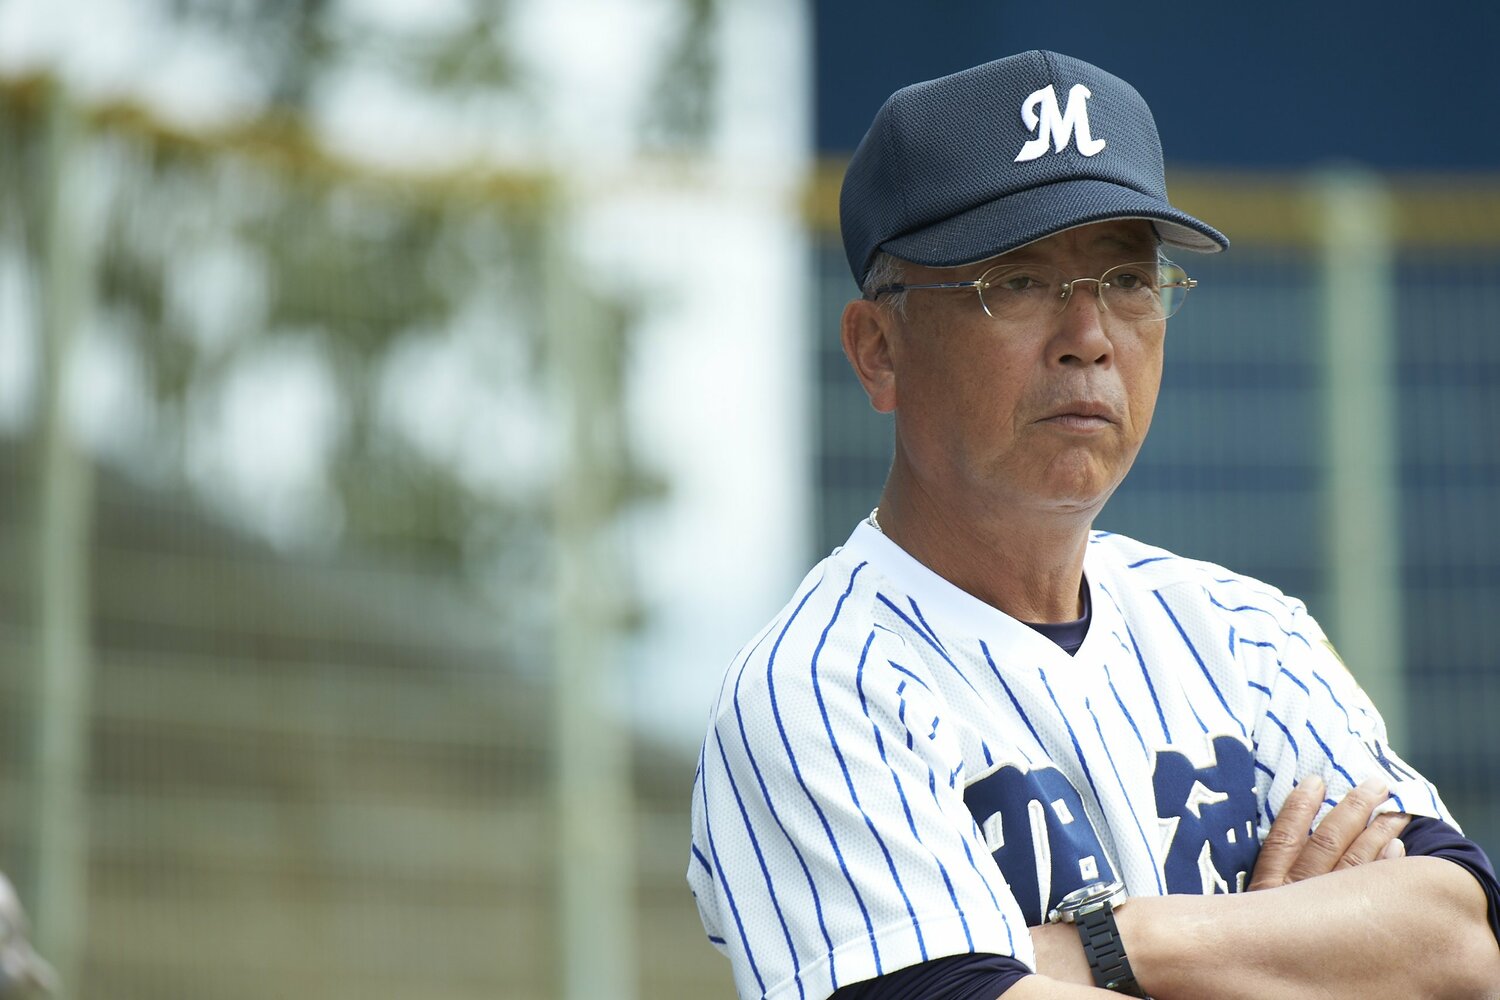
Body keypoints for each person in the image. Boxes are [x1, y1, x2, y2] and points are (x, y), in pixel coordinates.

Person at [687, 50, 1500, 1000]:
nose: (1089, 334)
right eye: (1017, 282)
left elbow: (1459, 946)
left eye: (1127, 279)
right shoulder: (819, 693)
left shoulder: (1246, 634)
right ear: (878, 351)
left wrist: (1116, 947)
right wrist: (1290, 953)